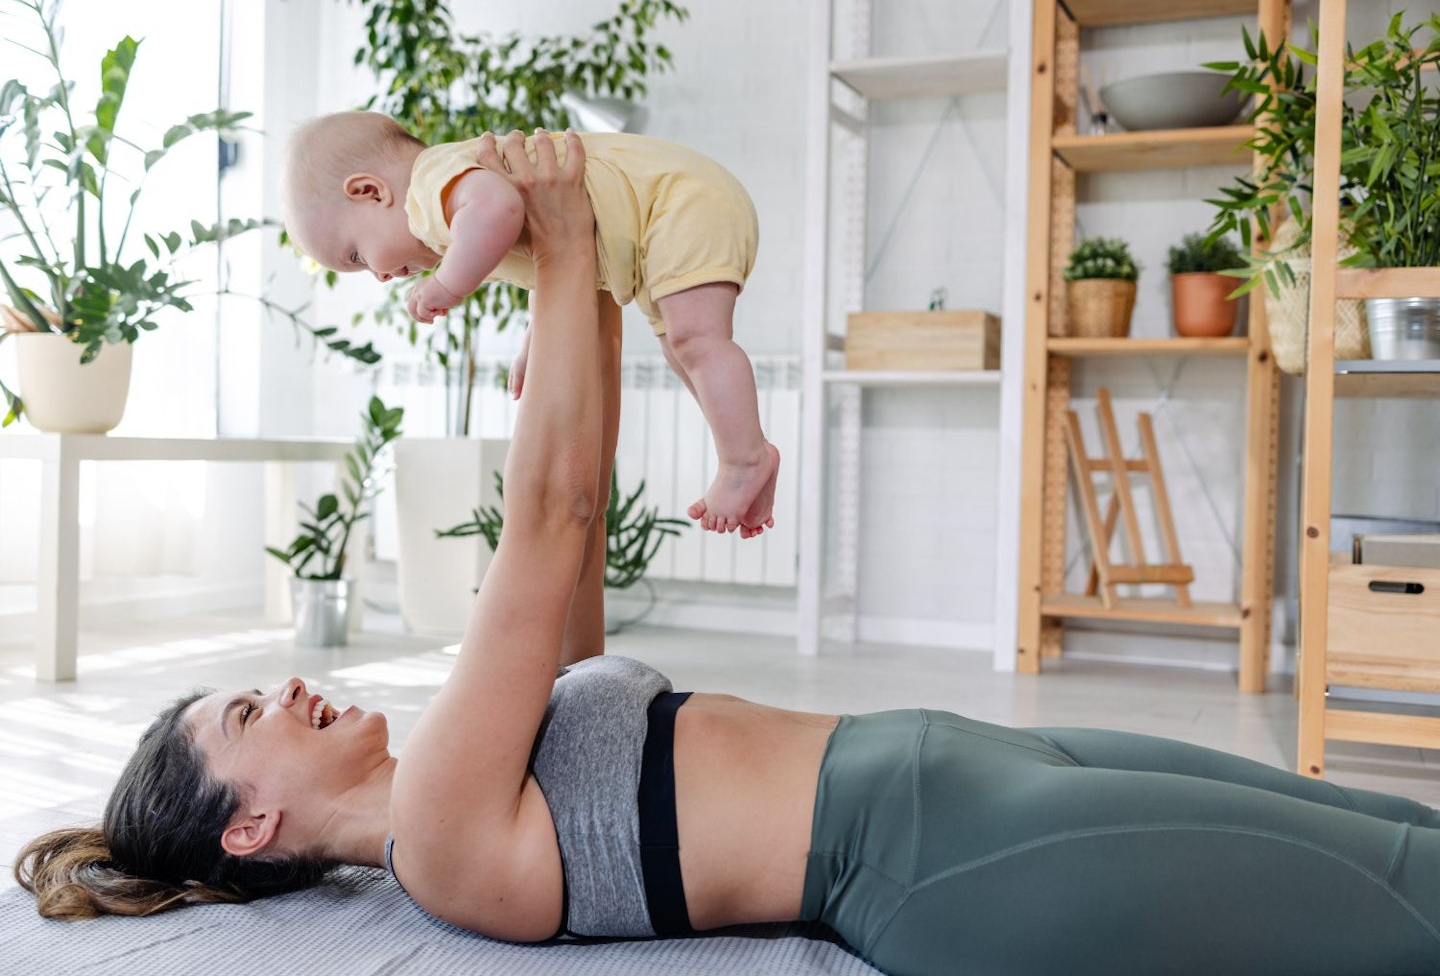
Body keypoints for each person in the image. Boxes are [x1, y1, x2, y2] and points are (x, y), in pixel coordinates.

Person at [19, 130, 1440, 976]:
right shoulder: (438, 836)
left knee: (1400, 834)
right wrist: (565, 243)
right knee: (1395, 905)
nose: (285, 683)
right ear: (250, 823)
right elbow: (550, 512)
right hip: (938, 851)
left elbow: (569, 559)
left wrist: (586, 274)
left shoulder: (469, 740)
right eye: (251, 716)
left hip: (956, 750)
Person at [281, 110, 779, 539]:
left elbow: (500, 207)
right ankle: (749, 454)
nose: (381, 276)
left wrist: (448, 286)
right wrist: (534, 342)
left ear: (370, 192)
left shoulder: (431, 184)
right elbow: (553, 264)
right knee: (680, 342)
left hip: (680, 201)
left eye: (357, 256)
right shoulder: (454, 212)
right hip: (665, 215)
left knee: (696, 339)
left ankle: (743, 459)